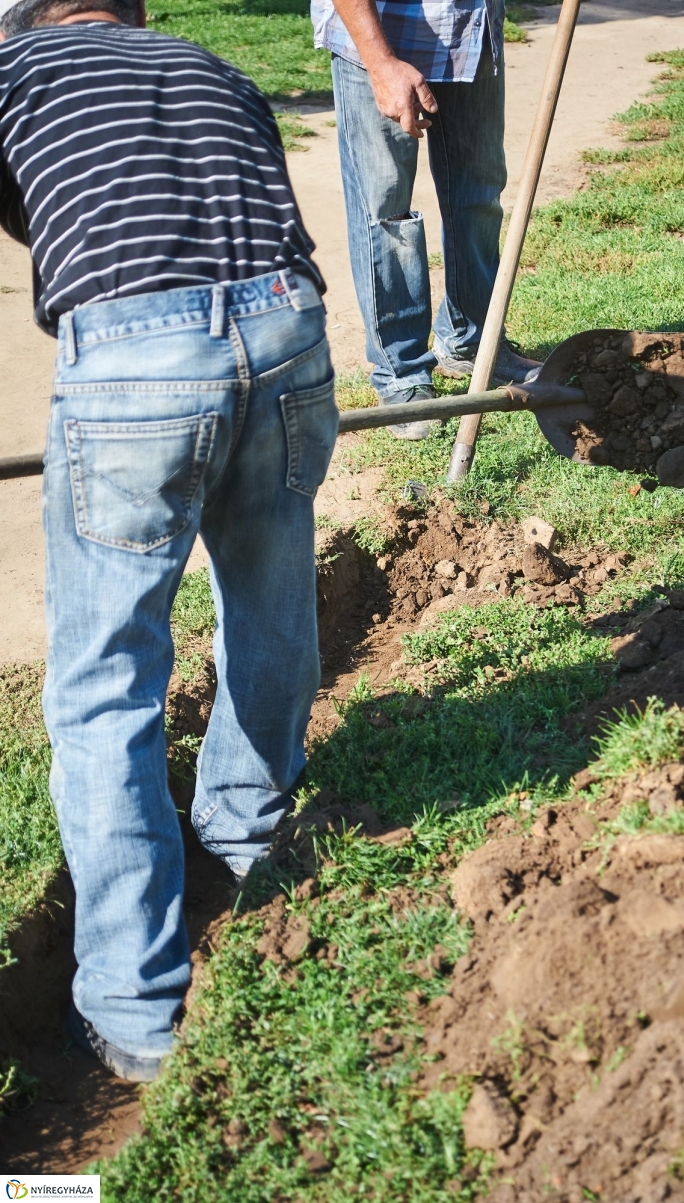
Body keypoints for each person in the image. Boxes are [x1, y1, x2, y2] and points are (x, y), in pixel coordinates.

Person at [0, 0, 336, 1081]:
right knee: (270, 593)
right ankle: (243, 839)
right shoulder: (212, 63)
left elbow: (40, 219)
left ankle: (136, 1011)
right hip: (285, 326)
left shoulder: (12, 73)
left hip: (136, 355)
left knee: (105, 682)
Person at [311, 0, 542, 439]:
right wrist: (380, 64)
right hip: (382, 34)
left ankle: (472, 340)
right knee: (386, 209)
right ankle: (400, 373)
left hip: (471, 31)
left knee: (478, 194)